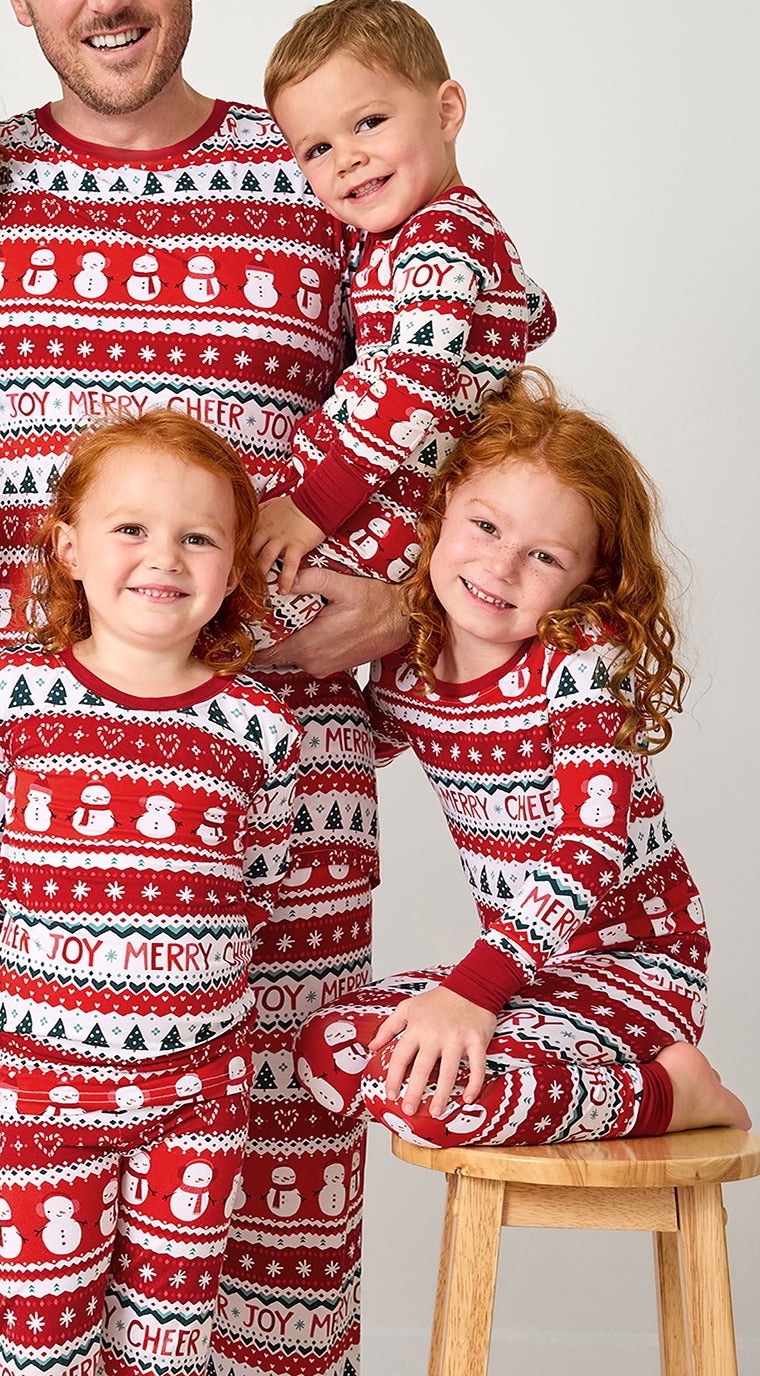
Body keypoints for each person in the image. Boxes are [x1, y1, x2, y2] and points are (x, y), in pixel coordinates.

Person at [0, 0, 405, 1376]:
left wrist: (408, 615)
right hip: (45, 843)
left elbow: (475, 430)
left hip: (292, 817)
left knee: (277, 1279)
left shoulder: (316, 169)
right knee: (52, 1301)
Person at [0, 410, 302, 1376]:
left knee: (169, 1336)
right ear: (69, 549)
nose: (162, 556)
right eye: (131, 528)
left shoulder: (257, 726)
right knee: (39, 1330)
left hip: (201, 1087)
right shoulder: (15, 695)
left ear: (228, 572)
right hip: (48, 1080)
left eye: (198, 536)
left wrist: (200, 955)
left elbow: (265, 866)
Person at [294, 373, 750, 1146]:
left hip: (633, 968)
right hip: (528, 976)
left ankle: (673, 1095)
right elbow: (354, 746)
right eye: (485, 528)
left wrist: (472, 993)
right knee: (328, 1047)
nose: (501, 568)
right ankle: (568, 1084)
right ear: (438, 514)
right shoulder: (409, 667)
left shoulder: (580, 662)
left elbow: (590, 847)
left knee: (427, 1106)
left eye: (543, 555)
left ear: (590, 581)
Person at [255, 0, 556, 615]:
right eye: (315, 149)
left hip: (381, 504)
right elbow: (536, 313)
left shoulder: (438, 237)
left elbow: (414, 388)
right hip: (368, 487)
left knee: (236, 615)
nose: (347, 157)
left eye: (368, 122)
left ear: (446, 112)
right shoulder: (431, 234)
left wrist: (310, 509)